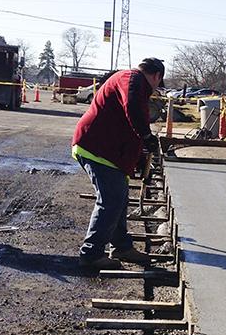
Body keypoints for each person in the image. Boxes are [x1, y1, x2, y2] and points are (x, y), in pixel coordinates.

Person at [71, 58, 165, 269]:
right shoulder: (133, 80)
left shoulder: (131, 81)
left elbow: (126, 119)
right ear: (157, 76)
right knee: (111, 200)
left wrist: (138, 156)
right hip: (97, 148)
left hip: (110, 153)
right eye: (159, 84)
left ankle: (121, 247)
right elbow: (132, 108)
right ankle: (91, 254)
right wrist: (147, 135)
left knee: (119, 199)